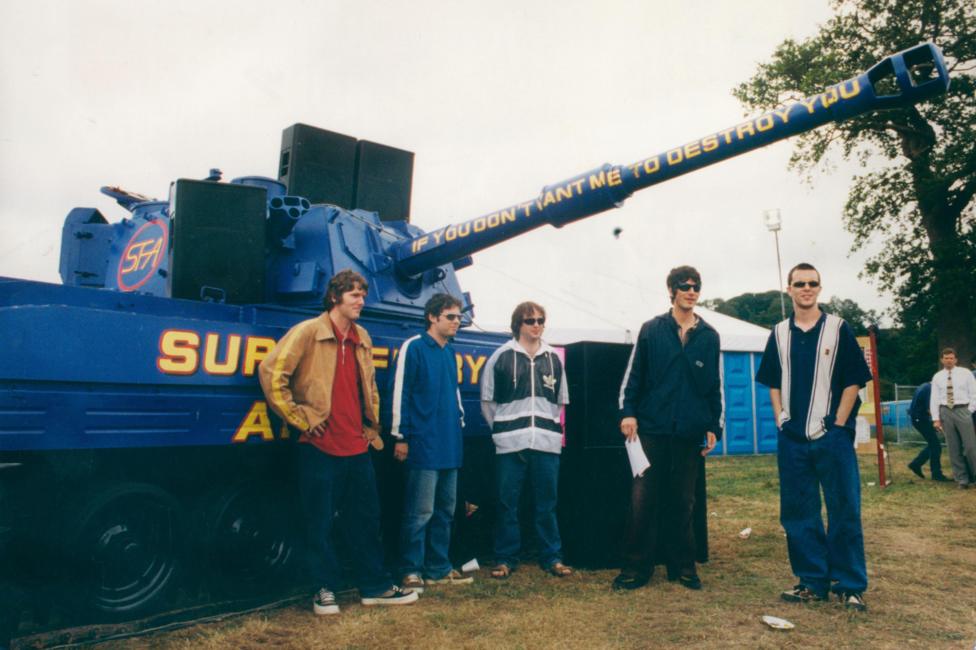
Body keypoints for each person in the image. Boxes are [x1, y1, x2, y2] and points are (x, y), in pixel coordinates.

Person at [258, 269, 417, 616]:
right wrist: (300, 419)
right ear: (335, 298)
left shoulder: (362, 336)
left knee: (365, 520)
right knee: (318, 521)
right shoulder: (308, 332)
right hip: (319, 446)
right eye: (354, 295)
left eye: (363, 294)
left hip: (357, 445)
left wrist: (372, 427)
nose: (362, 300)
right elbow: (272, 373)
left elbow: (370, 385)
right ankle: (323, 589)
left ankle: (374, 586)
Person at [756, 262, 872, 612]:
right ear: (788, 288)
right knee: (798, 512)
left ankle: (850, 584)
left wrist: (838, 423)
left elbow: (854, 380)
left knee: (844, 509)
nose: (806, 288)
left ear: (819, 288)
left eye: (812, 283)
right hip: (792, 438)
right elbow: (773, 380)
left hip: (832, 436)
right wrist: (780, 417)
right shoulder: (778, 333)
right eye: (799, 283)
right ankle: (812, 581)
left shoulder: (838, 328)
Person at [613, 265, 721, 592]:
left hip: (688, 433)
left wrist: (714, 425)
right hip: (651, 431)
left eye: (696, 286)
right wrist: (628, 412)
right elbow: (633, 377)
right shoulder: (651, 329)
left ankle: (683, 567)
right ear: (671, 290)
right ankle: (635, 569)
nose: (691, 291)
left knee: (683, 502)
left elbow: (713, 386)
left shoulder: (709, 336)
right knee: (642, 501)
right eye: (684, 286)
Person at [481, 301, 572, 579]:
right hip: (510, 443)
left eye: (540, 320)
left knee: (547, 504)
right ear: (517, 324)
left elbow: (560, 402)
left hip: (546, 443)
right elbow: (488, 402)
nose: (536, 325)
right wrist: (505, 432)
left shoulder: (553, 358)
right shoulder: (501, 356)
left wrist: (544, 429)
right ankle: (505, 558)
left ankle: (552, 558)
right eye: (530, 320)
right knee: (508, 504)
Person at [390, 293, 473, 592]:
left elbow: (455, 394)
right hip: (423, 445)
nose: (457, 322)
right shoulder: (413, 347)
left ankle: (439, 568)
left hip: (450, 445)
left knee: (445, 511)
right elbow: (401, 393)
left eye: (459, 316)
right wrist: (402, 436)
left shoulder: (450, 352)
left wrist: (458, 423)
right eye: (451, 316)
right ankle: (410, 570)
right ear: (432, 317)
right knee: (419, 512)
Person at [929, 348, 976, 489]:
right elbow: (934, 398)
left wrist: (970, 410)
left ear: (956, 360)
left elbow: (974, 393)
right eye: (946, 358)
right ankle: (962, 479)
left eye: (951, 358)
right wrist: (936, 418)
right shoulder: (937, 377)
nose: (948, 360)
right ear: (942, 360)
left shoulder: (966, 373)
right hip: (946, 411)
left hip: (963, 410)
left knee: (970, 447)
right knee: (953, 448)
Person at [907, 383, 950, 481]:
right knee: (936, 446)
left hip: (918, 418)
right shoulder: (930, 390)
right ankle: (936, 474)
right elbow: (930, 408)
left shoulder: (925, 386)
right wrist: (938, 421)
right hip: (921, 419)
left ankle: (916, 464)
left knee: (933, 444)